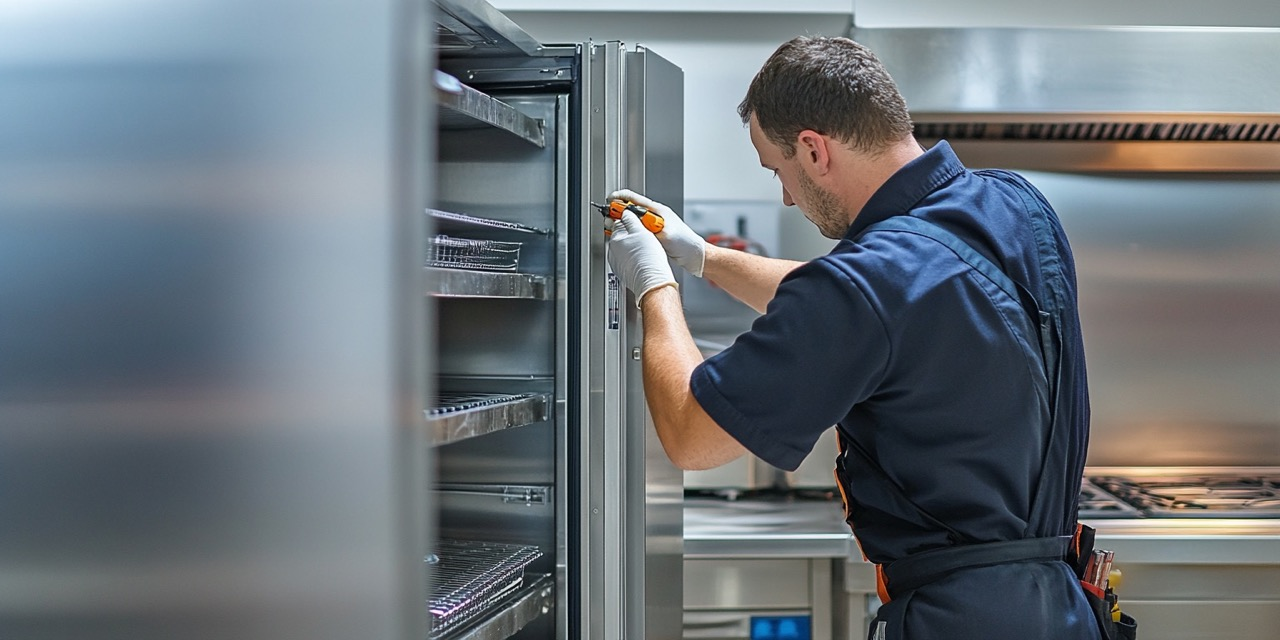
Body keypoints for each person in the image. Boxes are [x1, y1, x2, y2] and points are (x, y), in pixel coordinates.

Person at [605, 36, 1103, 639]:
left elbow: (691, 433)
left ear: (814, 150)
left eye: (778, 169)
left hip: (962, 619)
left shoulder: (868, 283)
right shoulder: (1014, 204)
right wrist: (703, 257)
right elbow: (871, 308)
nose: (786, 195)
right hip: (1064, 605)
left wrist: (654, 287)